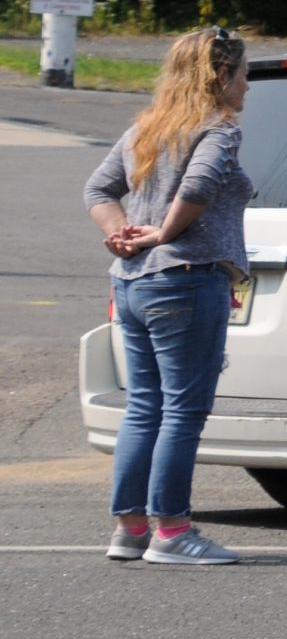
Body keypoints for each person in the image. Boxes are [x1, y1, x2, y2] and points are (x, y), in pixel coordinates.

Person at [82, 27, 254, 566]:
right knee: (183, 411)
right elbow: (199, 188)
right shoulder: (218, 129)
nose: (248, 86)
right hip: (185, 279)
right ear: (221, 75)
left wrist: (122, 232)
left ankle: (131, 529)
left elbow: (98, 189)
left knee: (144, 407)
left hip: (131, 282)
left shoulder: (148, 128)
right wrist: (162, 233)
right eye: (245, 74)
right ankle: (173, 532)